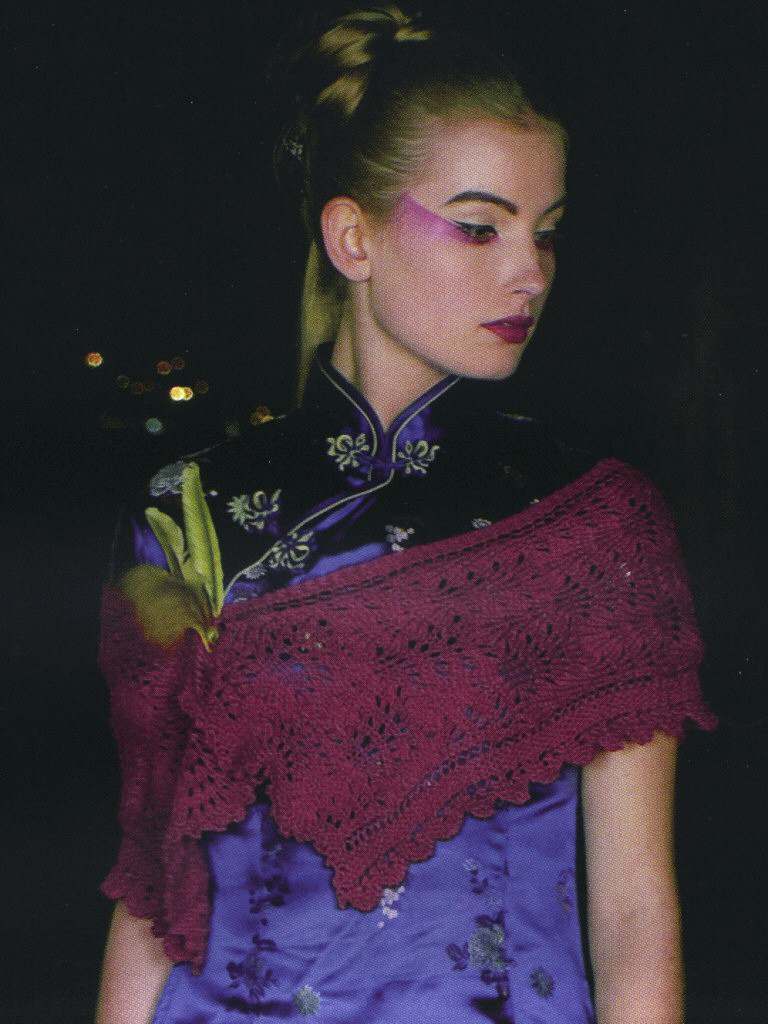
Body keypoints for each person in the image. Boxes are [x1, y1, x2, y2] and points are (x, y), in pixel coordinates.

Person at [94, 6, 718, 1023]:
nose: (529, 272)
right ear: (354, 237)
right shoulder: (189, 511)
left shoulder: (593, 521)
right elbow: (158, 895)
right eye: (479, 227)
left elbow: (635, 910)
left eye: (546, 232)